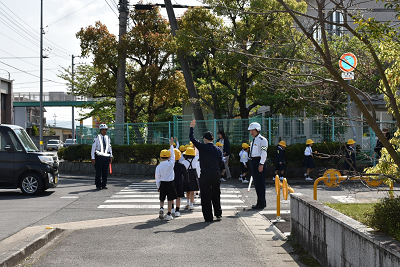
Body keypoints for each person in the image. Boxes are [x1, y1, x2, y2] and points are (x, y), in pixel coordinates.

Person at [189, 119, 223, 222]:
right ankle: (218, 213)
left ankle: (208, 217)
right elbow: (221, 162)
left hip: (205, 174)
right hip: (216, 174)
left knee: (205, 195)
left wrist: (191, 127)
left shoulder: (202, 147)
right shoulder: (218, 149)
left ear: (205, 139)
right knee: (216, 193)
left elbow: (192, 139)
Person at [155, 137, 177, 221]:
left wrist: (158, 186)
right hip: (170, 183)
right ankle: (168, 214)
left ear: (160, 157)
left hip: (163, 183)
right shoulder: (171, 163)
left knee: (162, 198)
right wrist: (171, 145)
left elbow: (157, 177)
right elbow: (173, 155)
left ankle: (161, 208)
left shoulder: (159, 166)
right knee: (170, 199)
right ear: (168, 157)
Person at [248, 122, 268, 209]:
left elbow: (264, 152)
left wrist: (261, 163)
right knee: (256, 183)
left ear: (258, 130)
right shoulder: (253, 141)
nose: (251, 132)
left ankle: (261, 203)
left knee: (260, 183)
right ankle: (261, 202)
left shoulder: (262, 140)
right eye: (250, 130)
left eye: (253, 130)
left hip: (258, 162)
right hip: (253, 161)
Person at [91, 123, 113, 190]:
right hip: (99, 156)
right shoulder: (97, 137)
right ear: (100, 130)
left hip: (106, 156)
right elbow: (93, 148)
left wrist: (111, 156)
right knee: (98, 171)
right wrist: (93, 157)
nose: (104, 131)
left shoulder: (107, 138)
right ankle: (98, 184)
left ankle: (104, 184)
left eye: (105, 130)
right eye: (103, 130)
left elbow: (109, 147)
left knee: (105, 171)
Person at [172, 148, 189, 217]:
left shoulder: (170, 165)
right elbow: (186, 174)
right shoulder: (181, 165)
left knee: (171, 197)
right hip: (179, 182)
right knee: (178, 197)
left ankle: (172, 208)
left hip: (171, 182)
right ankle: (177, 210)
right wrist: (187, 181)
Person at [182, 147, 200, 211]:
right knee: (193, 191)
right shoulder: (195, 160)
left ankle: (187, 202)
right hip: (193, 175)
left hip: (186, 176)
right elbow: (198, 154)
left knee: (187, 190)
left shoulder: (184, 162)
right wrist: (196, 147)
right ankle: (191, 205)